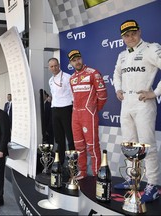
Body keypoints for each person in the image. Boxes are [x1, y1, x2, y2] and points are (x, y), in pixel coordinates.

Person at [113, 19, 161, 203]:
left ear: (139, 32)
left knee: (147, 145)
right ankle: (133, 178)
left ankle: (153, 185)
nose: (130, 37)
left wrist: (155, 92)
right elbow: (117, 73)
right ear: (122, 38)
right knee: (130, 144)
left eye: (133, 33)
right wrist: (118, 88)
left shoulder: (151, 48)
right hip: (126, 103)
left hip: (143, 102)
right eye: (126, 35)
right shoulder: (122, 55)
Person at [68, 50, 107, 179]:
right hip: (75, 115)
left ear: (81, 58)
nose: (77, 62)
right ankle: (82, 171)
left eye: (78, 58)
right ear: (71, 63)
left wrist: (94, 110)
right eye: (74, 60)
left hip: (88, 115)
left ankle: (97, 174)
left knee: (92, 146)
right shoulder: (72, 78)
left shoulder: (93, 73)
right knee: (79, 146)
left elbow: (102, 94)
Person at [48, 57, 75, 166]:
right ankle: (60, 162)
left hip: (67, 108)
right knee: (59, 138)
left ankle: (73, 163)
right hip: (55, 109)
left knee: (70, 136)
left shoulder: (68, 77)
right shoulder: (50, 80)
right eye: (51, 66)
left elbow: (73, 94)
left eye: (55, 65)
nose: (54, 68)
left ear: (59, 65)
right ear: (49, 68)